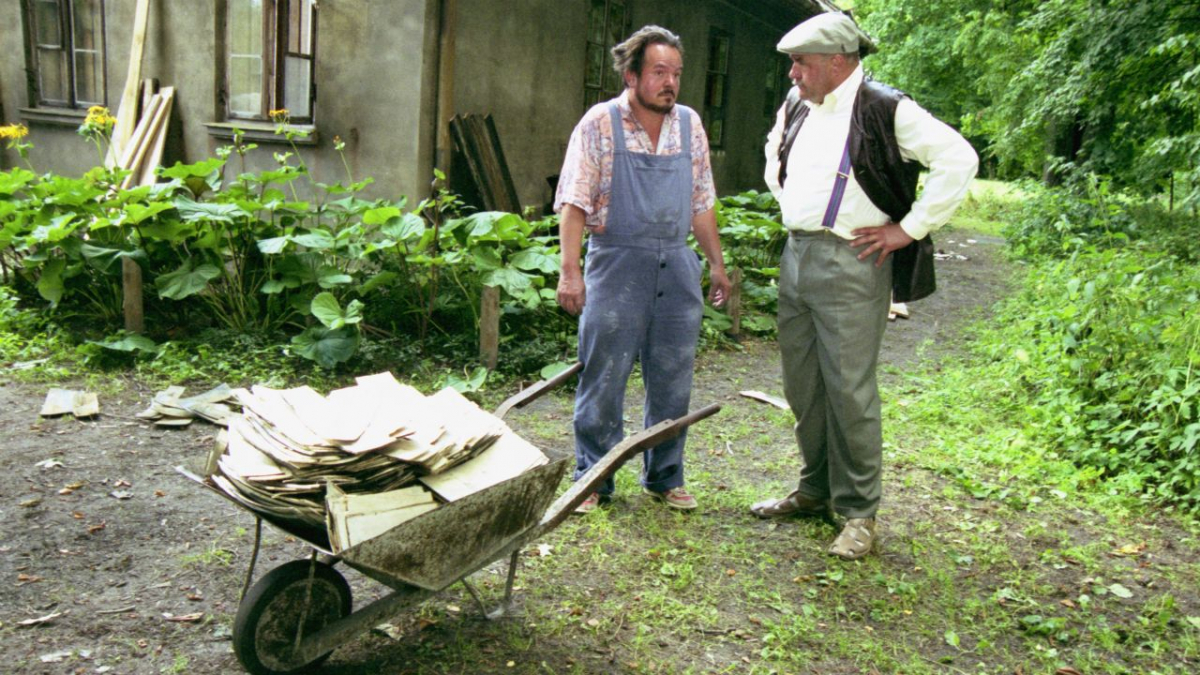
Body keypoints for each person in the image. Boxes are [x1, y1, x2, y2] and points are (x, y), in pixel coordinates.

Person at [752, 12, 978, 558]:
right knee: (802, 383)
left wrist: (908, 229)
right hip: (798, 253)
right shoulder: (798, 105)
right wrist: (795, 210)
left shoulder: (884, 107)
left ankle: (858, 513)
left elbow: (959, 159)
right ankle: (814, 489)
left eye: (800, 63)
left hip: (853, 261)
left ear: (836, 61)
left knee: (850, 390)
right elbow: (772, 158)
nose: (792, 74)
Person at [555, 25, 731, 514]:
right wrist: (570, 271)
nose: (669, 82)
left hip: (676, 263)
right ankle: (593, 478)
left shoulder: (690, 125)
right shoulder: (599, 124)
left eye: (675, 73)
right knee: (604, 374)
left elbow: (701, 203)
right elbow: (573, 203)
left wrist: (715, 264)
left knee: (673, 374)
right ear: (631, 75)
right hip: (616, 261)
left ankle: (665, 476)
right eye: (659, 71)